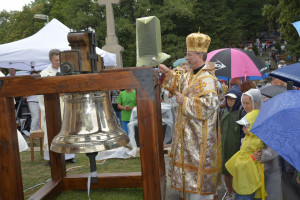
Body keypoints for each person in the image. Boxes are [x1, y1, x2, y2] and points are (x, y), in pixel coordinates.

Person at [159, 32, 221, 200]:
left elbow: (209, 106)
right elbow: (179, 82)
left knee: (197, 182)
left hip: (199, 139)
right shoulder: (191, 74)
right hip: (187, 137)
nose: (186, 58)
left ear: (200, 55)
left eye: (189, 54)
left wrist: (184, 101)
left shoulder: (207, 79)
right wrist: (168, 73)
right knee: (187, 179)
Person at [225, 88, 265, 200]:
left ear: (256, 102)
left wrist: (263, 153)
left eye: (248, 103)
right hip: (246, 170)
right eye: (243, 103)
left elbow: (267, 146)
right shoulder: (245, 114)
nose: (245, 106)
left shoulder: (260, 117)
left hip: (260, 167)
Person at [38, 49, 76, 165]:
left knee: (66, 130)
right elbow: (41, 92)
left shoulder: (66, 71)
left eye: (60, 59)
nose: (58, 62)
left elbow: (72, 86)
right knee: (52, 131)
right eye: (56, 60)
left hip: (65, 105)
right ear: (50, 60)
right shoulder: (44, 73)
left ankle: (69, 156)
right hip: (51, 105)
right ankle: (51, 158)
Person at [220, 86, 242, 200]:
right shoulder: (223, 111)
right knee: (225, 171)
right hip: (223, 148)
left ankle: (236, 192)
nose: (230, 101)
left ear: (237, 100)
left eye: (232, 99)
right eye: (228, 99)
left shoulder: (240, 113)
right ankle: (229, 192)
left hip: (235, 149)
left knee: (235, 172)